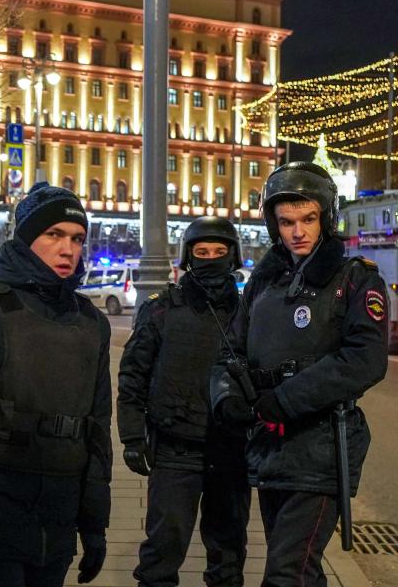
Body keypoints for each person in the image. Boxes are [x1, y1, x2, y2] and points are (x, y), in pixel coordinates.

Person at [210, 162, 388, 586]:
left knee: (287, 572)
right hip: (270, 447)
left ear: (326, 216)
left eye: (308, 219)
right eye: (286, 221)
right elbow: (230, 352)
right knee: (298, 567)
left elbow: (365, 359)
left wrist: (286, 400)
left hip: (323, 446)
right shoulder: (263, 284)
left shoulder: (356, 279)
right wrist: (226, 398)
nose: (297, 231)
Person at [0, 184, 112, 587]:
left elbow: (96, 432)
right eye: (54, 235)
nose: (68, 249)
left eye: (77, 239)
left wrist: (95, 525)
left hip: (58, 520)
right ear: (27, 240)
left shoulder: (90, 322)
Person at [117, 216, 250, 587]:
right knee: (163, 549)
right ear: (188, 256)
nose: (210, 259)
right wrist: (131, 437)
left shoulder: (249, 312)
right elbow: (133, 375)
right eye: (202, 252)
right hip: (175, 450)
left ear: (233, 256)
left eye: (219, 252)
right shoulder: (162, 309)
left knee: (228, 555)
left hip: (230, 451)